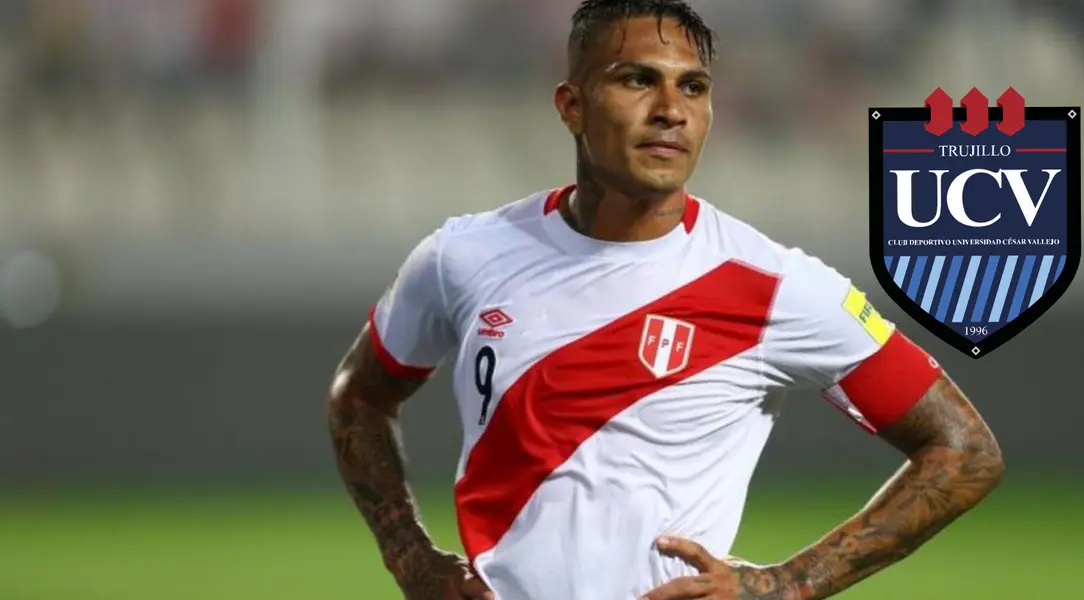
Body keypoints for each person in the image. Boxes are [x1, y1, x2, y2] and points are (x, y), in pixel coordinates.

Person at [325, 1, 1005, 599]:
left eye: (694, 86)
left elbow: (964, 450)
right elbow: (360, 393)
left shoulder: (771, 286)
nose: (671, 110)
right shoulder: (463, 256)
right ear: (571, 105)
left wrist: (791, 583)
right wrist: (408, 555)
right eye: (635, 79)